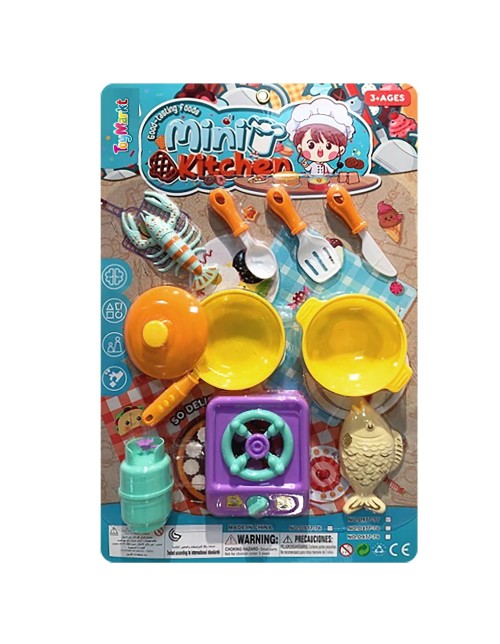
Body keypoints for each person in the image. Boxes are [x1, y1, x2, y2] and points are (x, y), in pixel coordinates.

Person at [286, 97, 355, 176]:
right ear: (300, 148)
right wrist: (305, 165)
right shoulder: (313, 165)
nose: (320, 152)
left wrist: (335, 172)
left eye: (328, 146)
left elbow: (332, 171)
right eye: (311, 145)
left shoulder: (326, 165)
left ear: (341, 150)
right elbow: (308, 169)